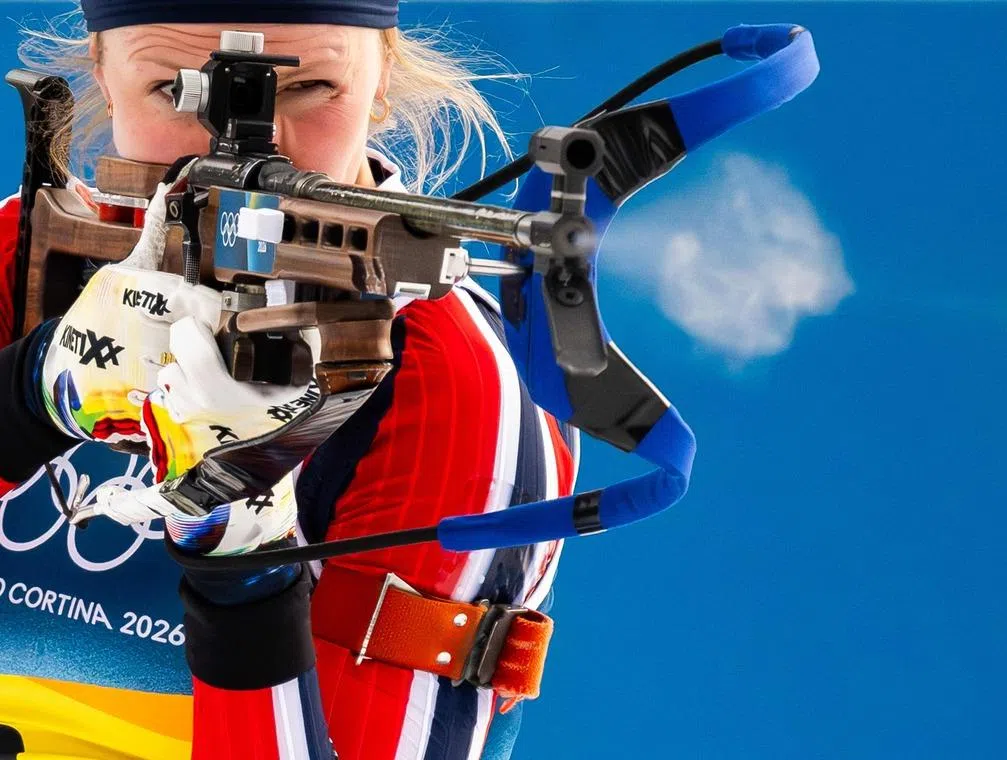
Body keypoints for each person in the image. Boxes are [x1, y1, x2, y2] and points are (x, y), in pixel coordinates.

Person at [0, 1, 579, 758]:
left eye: (309, 89)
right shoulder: (23, 252)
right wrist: (31, 391)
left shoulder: (459, 386)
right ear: (103, 79)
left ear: (382, 80)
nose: (247, 150)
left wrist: (245, 560)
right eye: (178, 91)